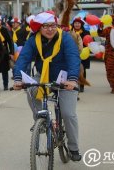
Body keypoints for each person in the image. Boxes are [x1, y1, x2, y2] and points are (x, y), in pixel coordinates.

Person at [13, 11, 82, 162]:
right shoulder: (33, 40)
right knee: (31, 89)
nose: (50, 29)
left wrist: (71, 79)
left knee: (68, 113)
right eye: (45, 26)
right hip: (43, 75)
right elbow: (23, 58)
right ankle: (41, 121)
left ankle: (73, 147)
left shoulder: (65, 38)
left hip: (64, 77)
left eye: (52, 25)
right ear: (39, 28)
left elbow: (73, 57)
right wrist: (18, 78)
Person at [0, 14, 14, 90]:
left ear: (0, 21)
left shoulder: (4, 29)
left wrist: (11, 53)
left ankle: (5, 85)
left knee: (4, 70)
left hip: (4, 52)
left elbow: (10, 42)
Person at [71, 17, 91, 92]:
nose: (77, 24)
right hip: (72, 54)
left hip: (83, 54)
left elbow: (89, 42)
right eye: (75, 23)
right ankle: (74, 84)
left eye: (78, 23)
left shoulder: (86, 33)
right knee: (73, 69)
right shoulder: (70, 32)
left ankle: (82, 85)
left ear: (81, 24)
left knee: (82, 70)